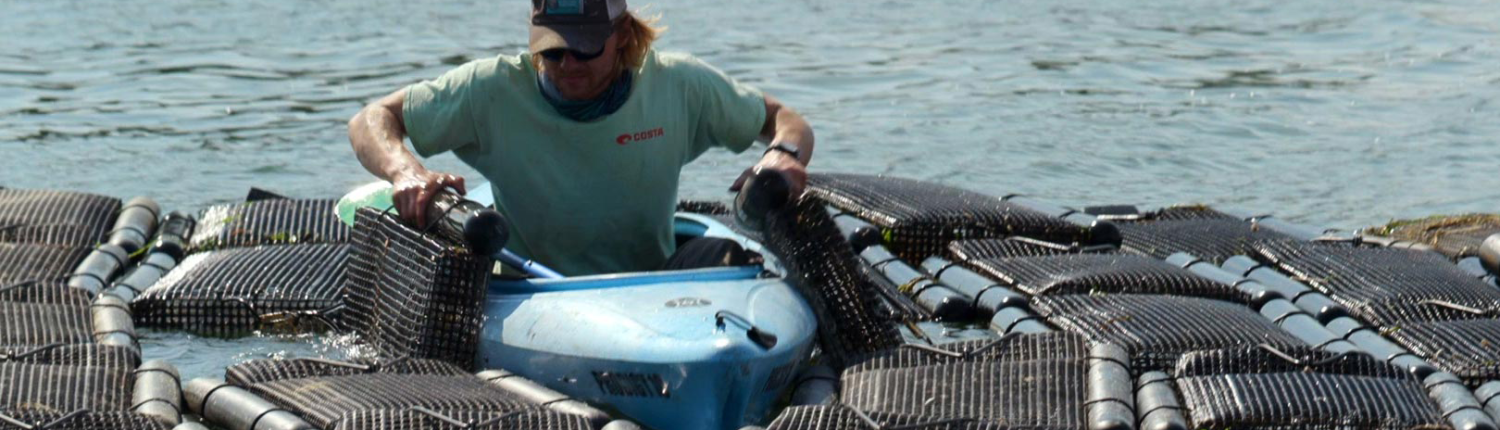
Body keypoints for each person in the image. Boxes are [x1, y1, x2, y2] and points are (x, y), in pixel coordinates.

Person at [348, 0, 814, 276]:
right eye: (551, 48)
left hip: (650, 289)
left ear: (623, 33)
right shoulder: (490, 89)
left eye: (585, 47)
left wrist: (782, 154)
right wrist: (405, 170)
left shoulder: (680, 85)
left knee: (729, 259)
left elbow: (786, 119)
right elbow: (371, 118)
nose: (567, 63)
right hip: (532, 292)